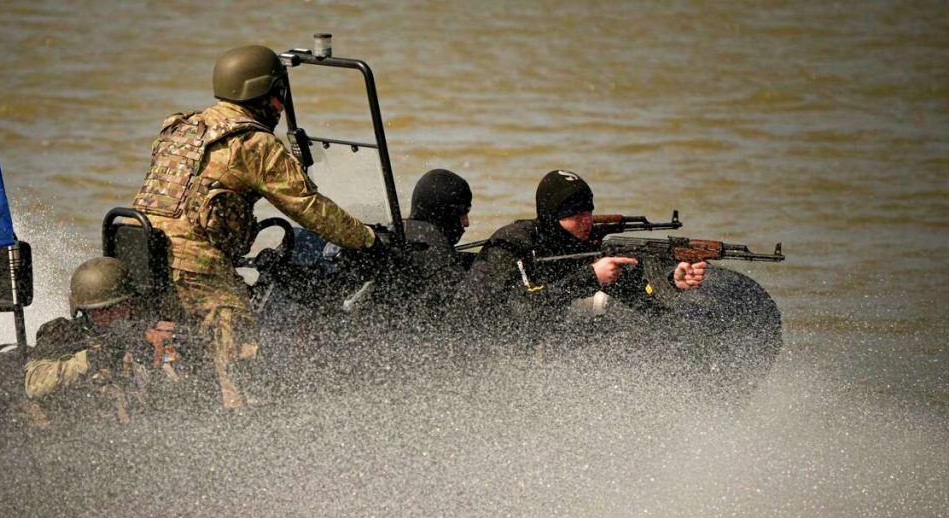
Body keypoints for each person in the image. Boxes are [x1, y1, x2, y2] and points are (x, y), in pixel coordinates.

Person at [131, 44, 386, 408]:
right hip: (192, 262)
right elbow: (310, 208)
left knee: (182, 333)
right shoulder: (253, 143)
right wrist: (368, 240)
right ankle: (241, 415)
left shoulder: (181, 126)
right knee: (239, 341)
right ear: (264, 93)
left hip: (137, 247)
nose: (281, 108)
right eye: (280, 97)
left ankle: (181, 395)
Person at [456, 169, 707, 332]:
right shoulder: (515, 242)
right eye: (575, 214)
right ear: (552, 215)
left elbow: (643, 302)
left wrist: (672, 282)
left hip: (552, 336)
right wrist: (590, 277)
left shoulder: (585, 245)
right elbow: (522, 311)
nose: (586, 220)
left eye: (588, 211)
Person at [24, 257, 178, 424]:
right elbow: (34, 384)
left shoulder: (144, 332)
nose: (112, 316)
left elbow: (175, 379)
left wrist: (168, 351)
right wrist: (100, 354)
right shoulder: (64, 334)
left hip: (138, 426)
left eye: (119, 307)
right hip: (80, 427)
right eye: (101, 311)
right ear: (83, 310)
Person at [395, 169, 473, 312]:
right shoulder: (432, 248)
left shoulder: (401, 233)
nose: (466, 223)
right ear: (444, 212)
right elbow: (465, 310)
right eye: (462, 213)